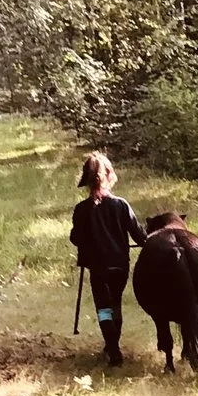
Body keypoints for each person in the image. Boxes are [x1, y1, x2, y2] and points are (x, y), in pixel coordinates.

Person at [69, 152, 145, 366]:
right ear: (109, 176)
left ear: (86, 179)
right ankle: (112, 345)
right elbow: (139, 236)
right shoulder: (121, 205)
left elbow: (75, 238)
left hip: (97, 267)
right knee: (116, 304)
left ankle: (113, 349)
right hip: (119, 265)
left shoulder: (81, 209)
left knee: (103, 308)